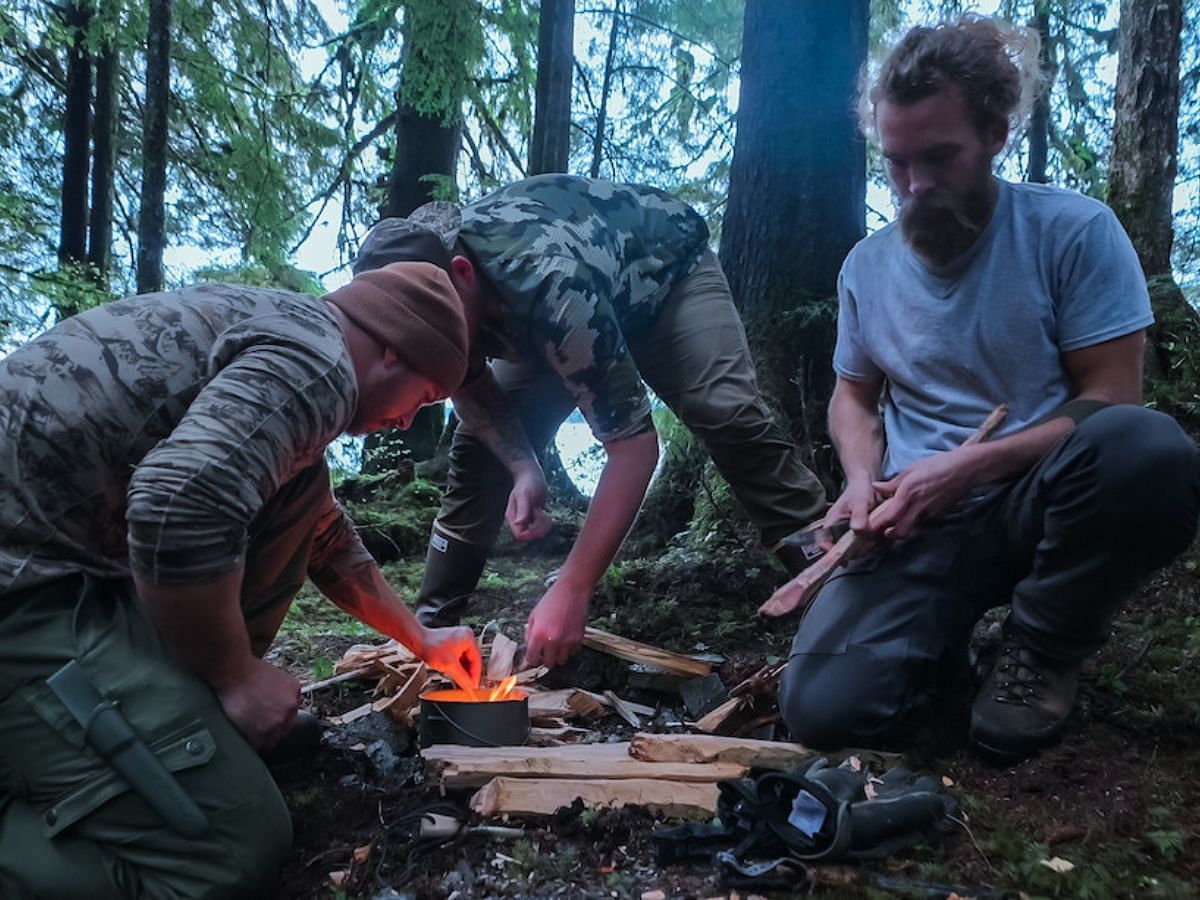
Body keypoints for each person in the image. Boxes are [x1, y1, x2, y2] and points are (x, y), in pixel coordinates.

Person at [777, 16, 1200, 764]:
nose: (915, 186)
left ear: (998, 133)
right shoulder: (866, 269)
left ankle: (1042, 646)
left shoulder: (1070, 233)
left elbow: (1112, 398)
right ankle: (935, 651)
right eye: (897, 162)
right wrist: (860, 480)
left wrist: (970, 466)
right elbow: (853, 397)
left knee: (1147, 450)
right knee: (821, 714)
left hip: (1037, 500)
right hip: (917, 520)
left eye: (940, 157)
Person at [0, 262, 483, 898]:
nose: (404, 423)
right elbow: (180, 498)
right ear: (392, 348)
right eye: (421, 400)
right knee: (230, 846)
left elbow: (323, 537)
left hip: (60, 561)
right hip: (25, 582)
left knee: (300, 492)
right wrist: (236, 676)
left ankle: (168, 721)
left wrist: (421, 638)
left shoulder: (283, 328)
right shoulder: (321, 363)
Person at [354, 174, 830, 669]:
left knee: (724, 411)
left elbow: (634, 449)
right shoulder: (430, 295)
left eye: (433, 327)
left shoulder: (549, 284)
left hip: (665, 277)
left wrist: (573, 586)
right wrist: (523, 468)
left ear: (461, 274)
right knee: (479, 451)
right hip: (543, 312)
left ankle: (828, 573)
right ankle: (427, 637)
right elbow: (469, 384)